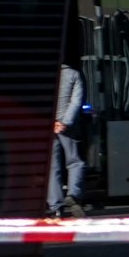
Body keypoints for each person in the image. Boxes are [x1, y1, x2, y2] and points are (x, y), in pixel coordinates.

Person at [49, 61, 85, 218]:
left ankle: (55, 206)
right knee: (75, 161)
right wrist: (64, 122)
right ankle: (73, 194)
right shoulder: (73, 74)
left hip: (50, 126)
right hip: (67, 127)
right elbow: (76, 101)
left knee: (52, 167)